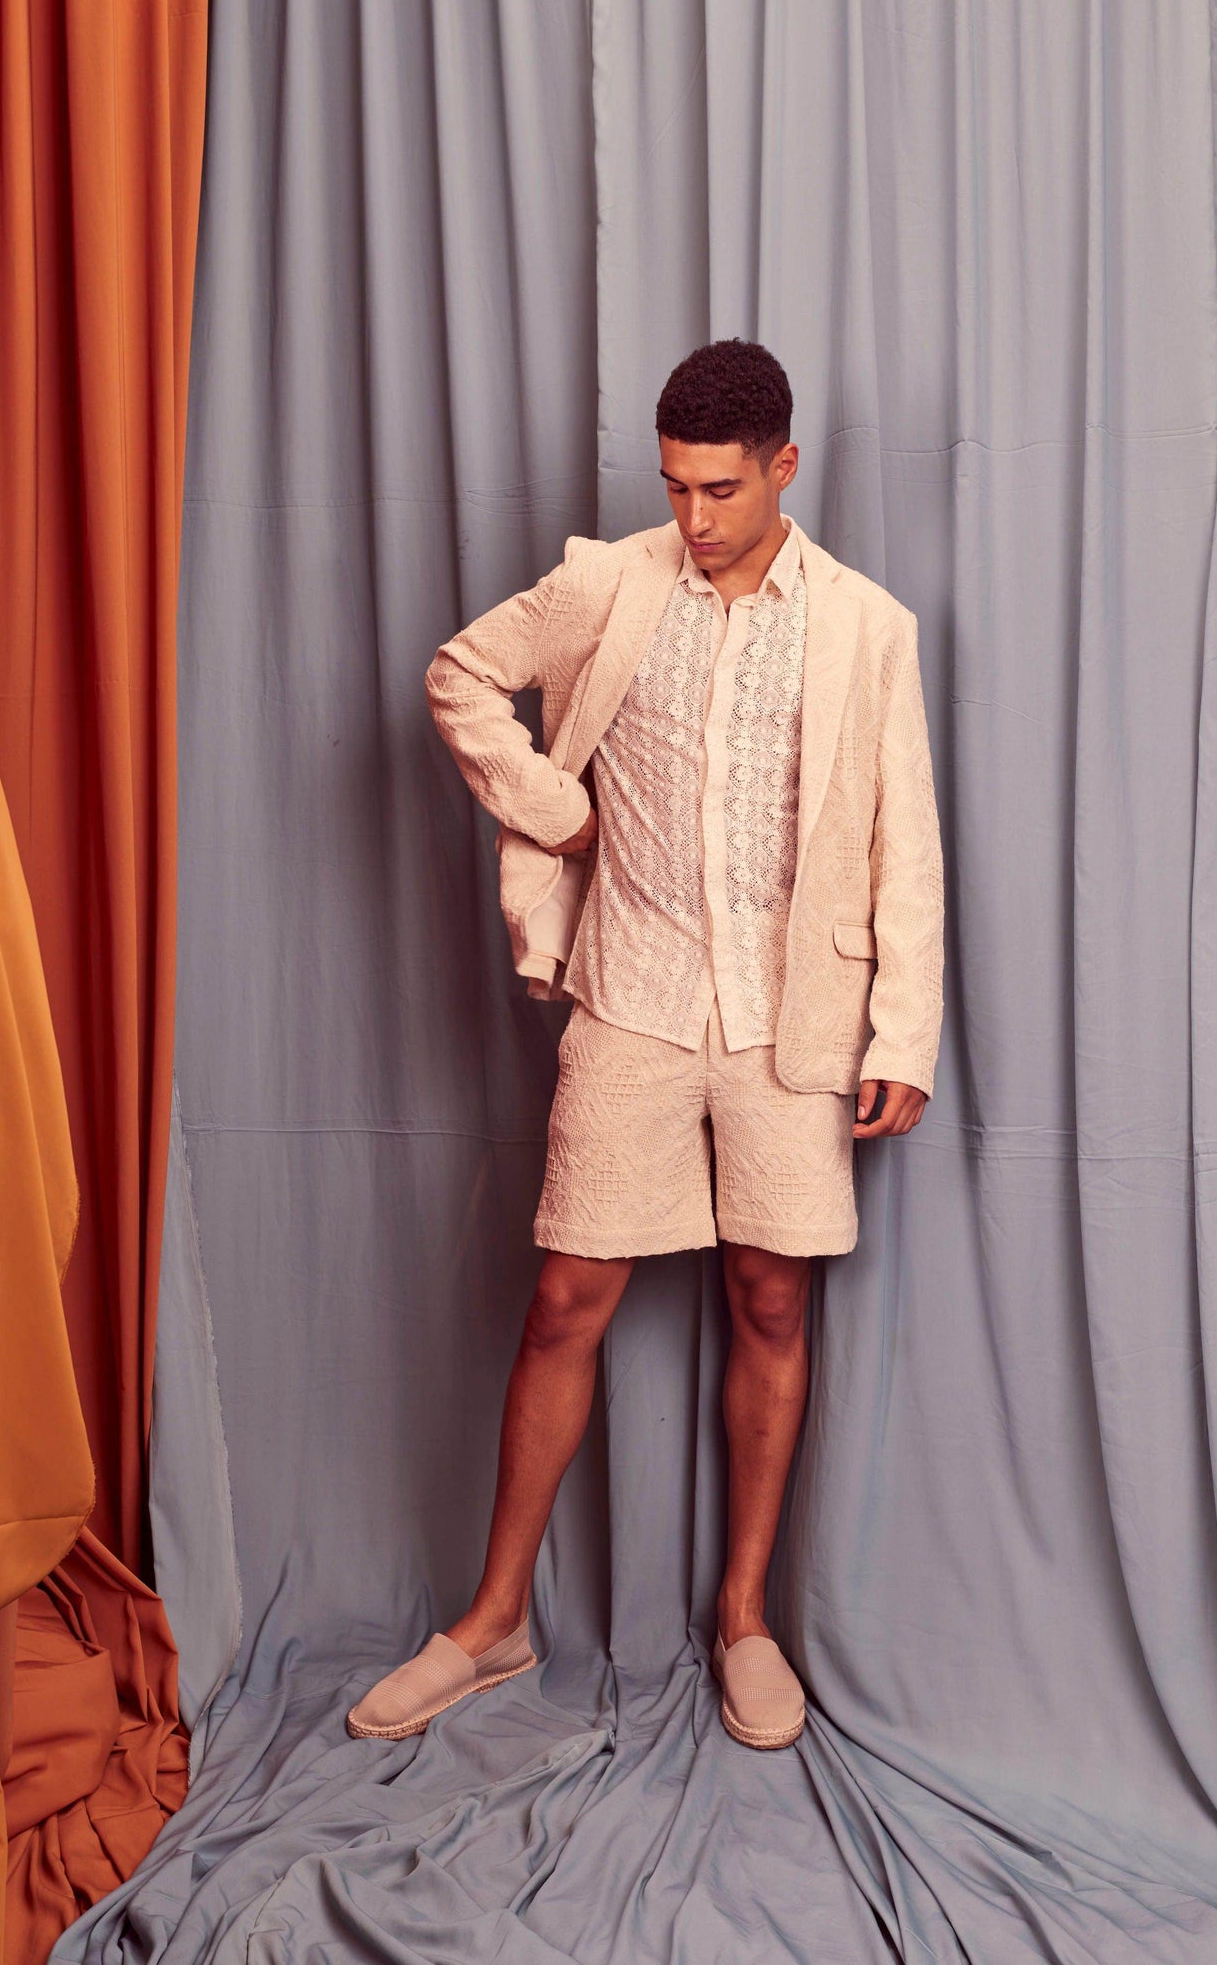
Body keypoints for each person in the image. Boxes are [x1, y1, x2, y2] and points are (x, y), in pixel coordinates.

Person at [346, 338, 945, 1751]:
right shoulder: (611, 584)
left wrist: (903, 1028)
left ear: (783, 467)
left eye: (721, 489)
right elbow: (459, 675)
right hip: (633, 993)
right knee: (566, 1298)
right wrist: (554, 812)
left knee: (771, 1301)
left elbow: (900, 837)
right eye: (676, 487)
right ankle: (493, 1621)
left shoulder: (867, 627)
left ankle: (742, 1621)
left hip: (792, 1015)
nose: (694, 517)